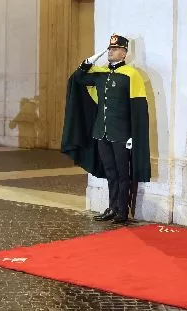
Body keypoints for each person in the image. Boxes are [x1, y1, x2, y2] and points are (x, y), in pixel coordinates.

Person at [61, 34, 152, 224]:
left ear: (124, 53)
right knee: (110, 172)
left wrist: (133, 136)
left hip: (121, 134)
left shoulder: (131, 75)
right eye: (110, 49)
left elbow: (137, 109)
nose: (111, 51)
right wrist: (89, 61)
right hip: (101, 132)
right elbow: (77, 79)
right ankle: (112, 207)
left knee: (122, 174)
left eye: (115, 49)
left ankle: (122, 211)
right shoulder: (100, 73)